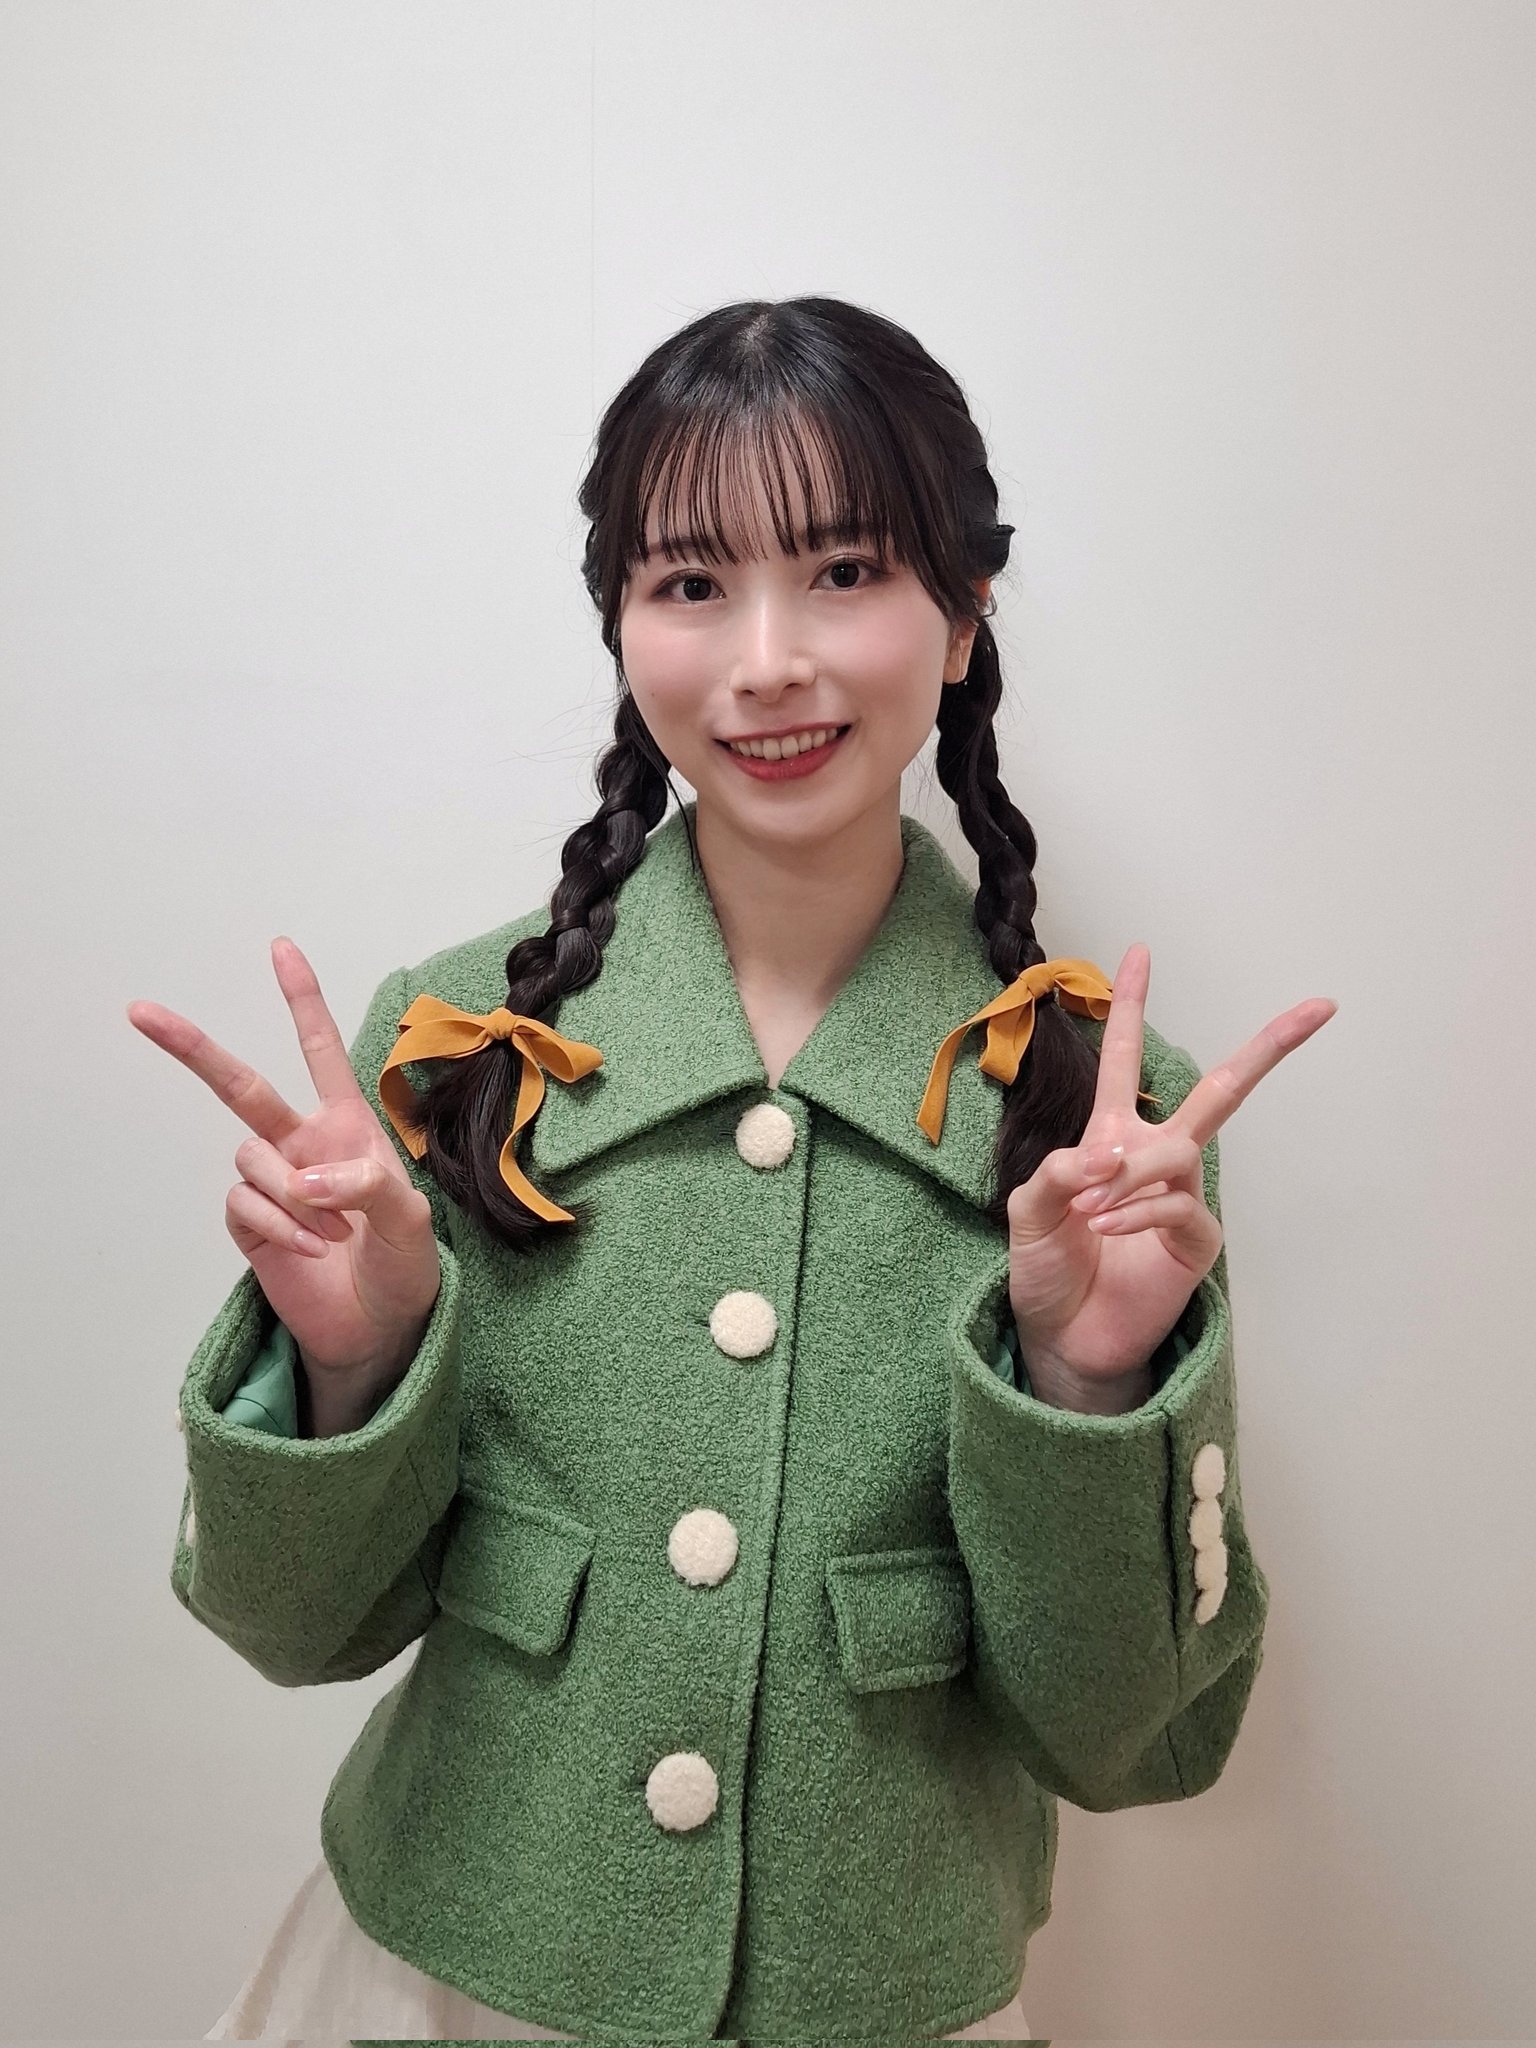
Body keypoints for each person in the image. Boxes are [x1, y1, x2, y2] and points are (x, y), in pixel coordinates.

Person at [130, 295, 1335, 2042]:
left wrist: (1086, 1381)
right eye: (691, 583)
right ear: (621, 624)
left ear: (965, 610)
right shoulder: (450, 1049)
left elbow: (1128, 1744)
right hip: (439, 1978)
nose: (766, 661)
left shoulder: (1104, 1120)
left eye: (844, 570)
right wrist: (352, 1359)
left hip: (891, 1998)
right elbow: (288, 1629)